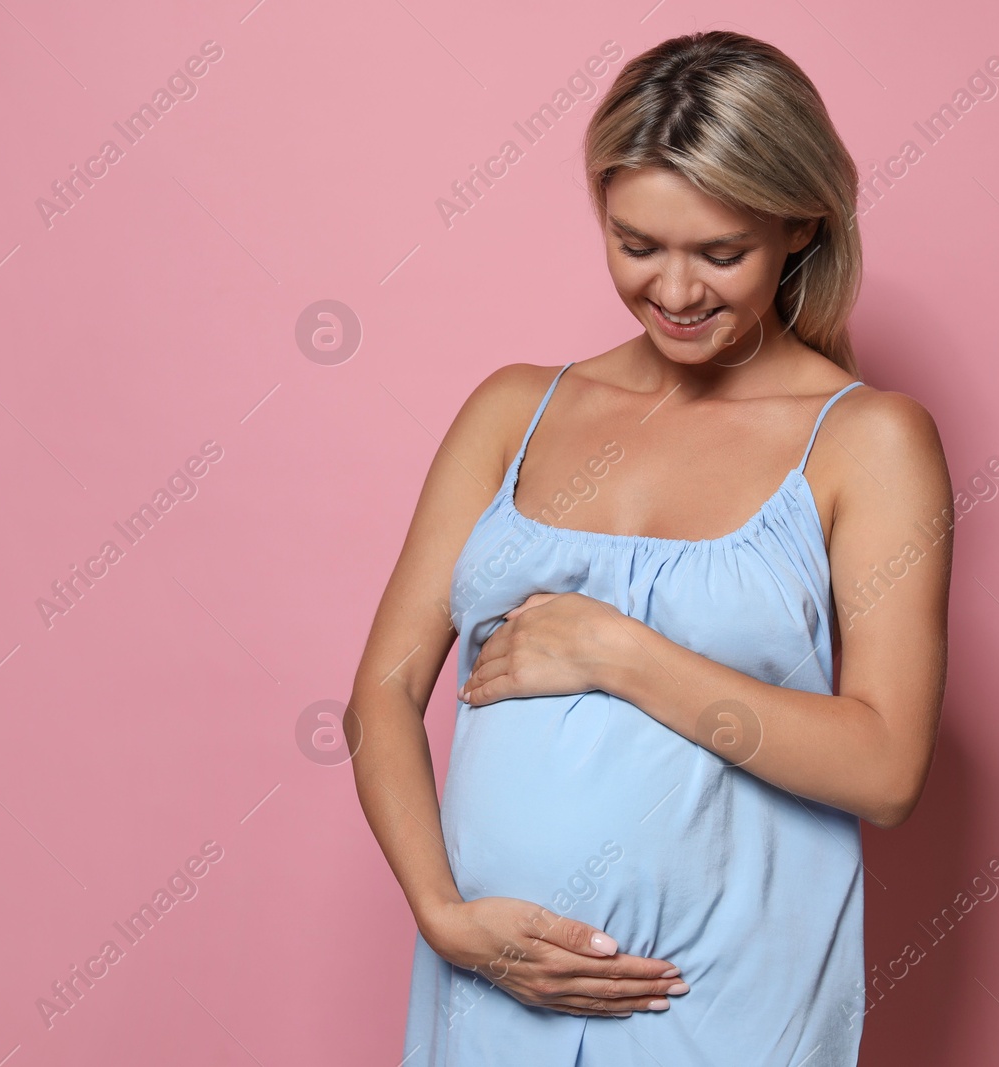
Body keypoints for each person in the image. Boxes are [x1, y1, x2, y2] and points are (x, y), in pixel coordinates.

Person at [346, 29, 952, 1066]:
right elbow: (380, 699)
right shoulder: (512, 410)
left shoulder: (867, 442)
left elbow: (886, 765)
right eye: (637, 246)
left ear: (799, 224)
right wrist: (446, 916)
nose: (675, 293)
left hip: (725, 1002)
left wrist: (617, 653)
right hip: (493, 981)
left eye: (720, 254)